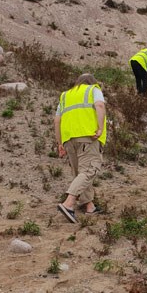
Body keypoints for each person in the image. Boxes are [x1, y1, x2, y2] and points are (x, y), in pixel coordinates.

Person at [55, 73, 107, 223]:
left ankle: (89, 206)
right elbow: (99, 105)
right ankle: (69, 203)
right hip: (87, 136)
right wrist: (100, 127)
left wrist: (59, 143)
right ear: (92, 82)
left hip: (68, 139)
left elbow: (57, 120)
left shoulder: (65, 96)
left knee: (80, 173)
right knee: (90, 169)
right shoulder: (93, 90)